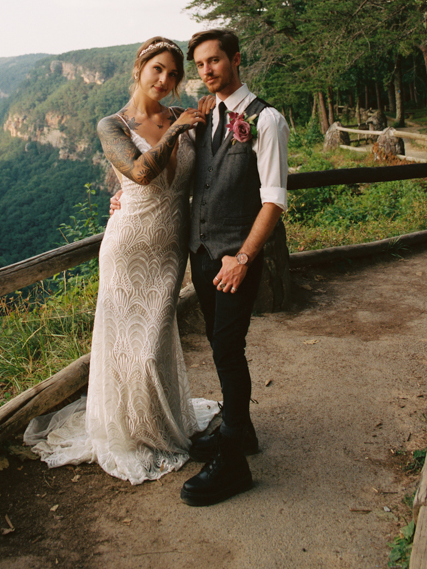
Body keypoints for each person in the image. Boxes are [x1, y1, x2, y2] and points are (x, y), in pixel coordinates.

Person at [24, 37, 219, 484]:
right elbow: (139, 173)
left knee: (152, 344)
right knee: (126, 345)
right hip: (128, 244)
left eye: (173, 73)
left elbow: (204, 171)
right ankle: (130, 429)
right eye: (158, 70)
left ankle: (157, 419)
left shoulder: (185, 116)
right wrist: (174, 132)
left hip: (170, 245)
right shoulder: (111, 123)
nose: (166, 80)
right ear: (140, 68)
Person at [110, 29, 290, 506]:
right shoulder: (206, 117)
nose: (207, 70)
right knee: (219, 343)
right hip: (200, 253)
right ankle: (242, 431)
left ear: (235, 59)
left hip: (235, 257)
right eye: (201, 64)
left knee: (228, 349)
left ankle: (233, 465)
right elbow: (179, 178)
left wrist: (245, 257)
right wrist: (125, 195)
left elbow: (273, 200)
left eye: (215, 61)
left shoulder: (266, 120)